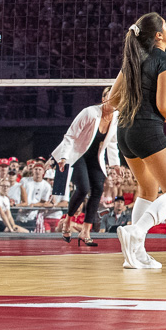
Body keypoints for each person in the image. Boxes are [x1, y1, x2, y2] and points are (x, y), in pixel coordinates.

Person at [110, 12, 166, 270]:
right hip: (146, 130)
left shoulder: (132, 59)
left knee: (147, 191)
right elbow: (164, 106)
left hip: (124, 130)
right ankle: (136, 231)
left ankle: (136, 255)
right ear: (159, 35)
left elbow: (112, 100)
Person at [53, 88, 121, 246]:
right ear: (104, 99)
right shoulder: (89, 112)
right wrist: (63, 157)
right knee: (83, 188)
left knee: (97, 189)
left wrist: (115, 164)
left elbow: (112, 142)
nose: (116, 101)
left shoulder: (116, 116)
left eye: (118, 98)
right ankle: (68, 222)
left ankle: (85, 231)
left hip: (95, 157)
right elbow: (70, 135)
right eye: (112, 97)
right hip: (78, 154)